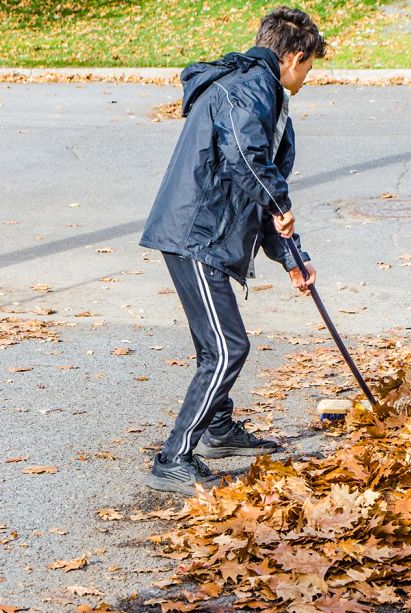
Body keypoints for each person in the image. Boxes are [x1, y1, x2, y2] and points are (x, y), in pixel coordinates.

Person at [139, 6, 327, 495]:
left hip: (206, 233)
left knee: (215, 345)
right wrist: (278, 202)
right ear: (294, 56)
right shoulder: (251, 89)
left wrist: (292, 258)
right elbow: (249, 161)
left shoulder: (260, 93)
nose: (308, 77)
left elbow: (259, 182)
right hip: (196, 234)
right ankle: (173, 458)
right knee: (227, 349)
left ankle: (218, 431)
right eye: (309, 67)